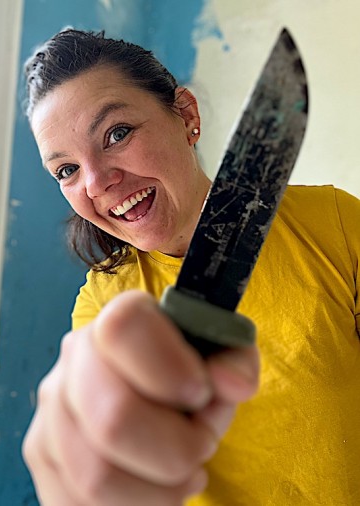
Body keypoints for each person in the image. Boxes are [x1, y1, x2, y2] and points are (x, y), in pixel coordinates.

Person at [22, 28, 360, 506]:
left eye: (116, 134)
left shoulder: (335, 224)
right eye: (66, 170)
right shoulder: (105, 305)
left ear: (186, 116)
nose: (96, 182)